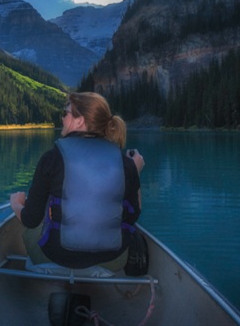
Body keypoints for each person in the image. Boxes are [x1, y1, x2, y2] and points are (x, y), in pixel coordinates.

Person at [10, 92, 144, 271]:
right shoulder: (125, 163)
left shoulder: (51, 158)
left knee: (28, 226)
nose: (62, 119)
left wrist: (17, 205)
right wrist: (135, 172)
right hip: (113, 259)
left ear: (79, 120)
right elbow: (133, 216)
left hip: (57, 255)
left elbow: (31, 220)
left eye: (65, 113)